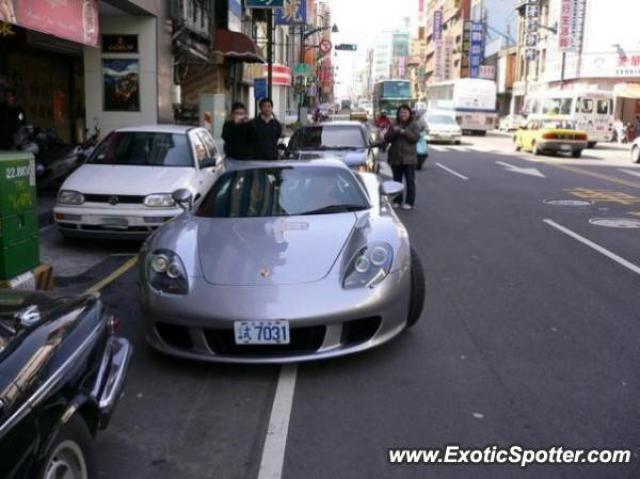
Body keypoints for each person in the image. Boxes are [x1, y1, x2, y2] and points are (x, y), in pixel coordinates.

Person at [384, 104, 421, 211]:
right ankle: (397, 200)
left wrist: (404, 132)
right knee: (396, 181)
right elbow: (387, 138)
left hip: (409, 159)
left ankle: (409, 202)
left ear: (409, 114)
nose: (403, 114)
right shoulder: (394, 124)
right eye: (401, 112)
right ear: (398, 114)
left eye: (405, 112)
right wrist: (394, 132)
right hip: (395, 158)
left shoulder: (414, 125)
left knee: (410, 181)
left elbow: (415, 138)